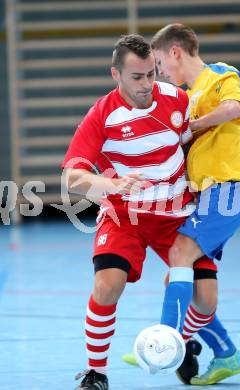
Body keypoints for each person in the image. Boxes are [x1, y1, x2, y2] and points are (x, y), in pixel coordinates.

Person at [63, 34, 224, 390]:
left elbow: (189, 144)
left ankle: (179, 342)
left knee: (207, 299)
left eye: (152, 73)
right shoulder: (101, 116)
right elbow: (72, 176)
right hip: (126, 217)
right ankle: (96, 372)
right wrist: (111, 186)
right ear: (115, 75)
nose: (148, 84)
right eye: (137, 77)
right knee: (107, 287)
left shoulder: (177, 100)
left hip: (176, 215)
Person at [149, 24, 240, 385]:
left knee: (180, 255)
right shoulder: (183, 97)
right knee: (191, 286)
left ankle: (168, 342)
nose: (162, 72)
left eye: (162, 63)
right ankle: (227, 353)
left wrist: (193, 127)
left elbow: (231, 108)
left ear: (176, 52)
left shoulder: (221, 74)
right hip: (205, 196)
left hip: (230, 188)